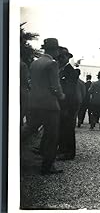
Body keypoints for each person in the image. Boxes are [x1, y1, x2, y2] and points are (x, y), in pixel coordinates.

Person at [21, 38, 65, 175]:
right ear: (55, 50)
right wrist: (61, 96)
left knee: (29, 128)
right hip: (49, 105)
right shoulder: (52, 64)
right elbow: (55, 86)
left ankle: (11, 144)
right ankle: (47, 167)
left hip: (34, 103)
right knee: (52, 136)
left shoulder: (35, 63)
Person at [56, 46, 79, 161]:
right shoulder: (61, 70)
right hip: (62, 103)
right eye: (59, 57)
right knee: (62, 127)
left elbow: (69, 91)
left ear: (67, 57)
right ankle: (62, 149)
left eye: (62, 57)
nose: (60, 59)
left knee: (68, 128)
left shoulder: (71, 71)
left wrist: (66, 106)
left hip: (69, 104)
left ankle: (69, 153)